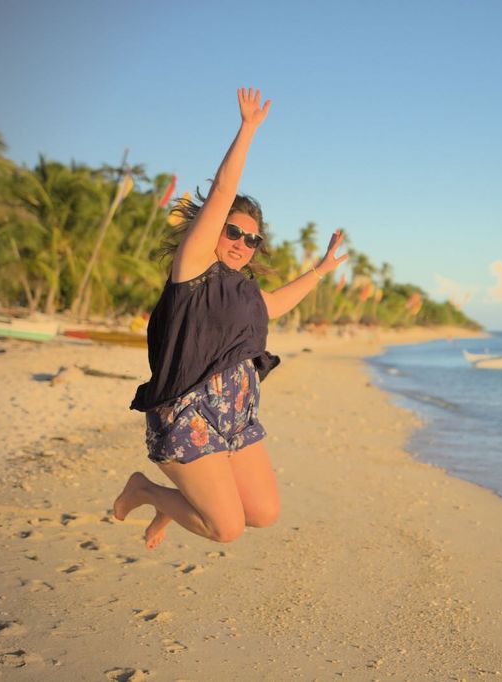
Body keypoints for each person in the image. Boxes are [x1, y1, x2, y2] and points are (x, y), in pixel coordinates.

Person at [112, 87, 347, 548]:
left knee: (264, 513)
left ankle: (168, 504)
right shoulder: (193, 268)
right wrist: (248, 130)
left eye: (251, 239)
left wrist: (320, 270)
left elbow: (275, 304)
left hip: (236, 413)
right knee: (227, 528)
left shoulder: (243, 291)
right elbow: (222, 190)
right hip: (186, 414)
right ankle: (147, 490)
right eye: (233, 231)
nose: (241, 242)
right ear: (214, 229)